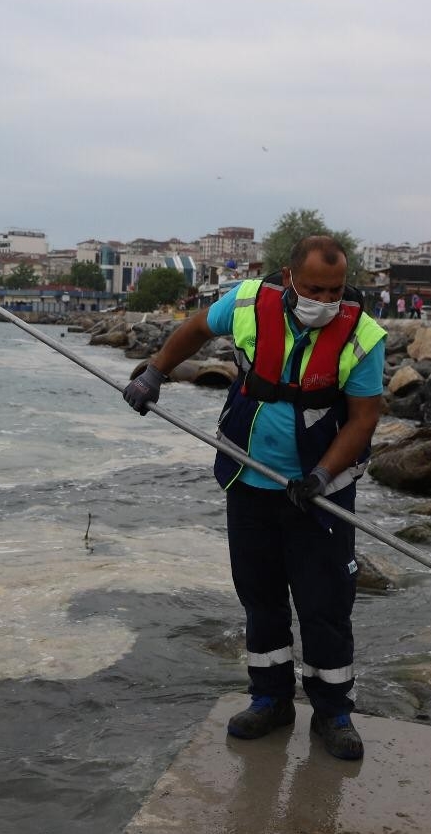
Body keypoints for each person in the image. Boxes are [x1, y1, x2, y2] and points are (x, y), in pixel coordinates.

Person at [121, 236, 386, 759]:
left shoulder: (362, 334)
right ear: (288, 278)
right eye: (314, 288)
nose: (325, 300)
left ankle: (333, 712)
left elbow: (364, 419)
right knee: (260, 598)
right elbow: (195, 329)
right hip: (249, 482)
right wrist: (155, 374)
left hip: (318, 495)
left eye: (334, 290)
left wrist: (319, 477)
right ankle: (269, 699)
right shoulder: (245, 304)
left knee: (325, 606)